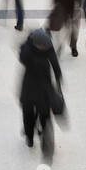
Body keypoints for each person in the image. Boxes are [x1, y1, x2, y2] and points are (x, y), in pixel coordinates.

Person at [18, 27, 63, 162]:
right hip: (35, 88)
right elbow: (54, 64)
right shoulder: (32, 49)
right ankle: (30, 135)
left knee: (39, 114)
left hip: (37, 88)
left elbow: (55, 64)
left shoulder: (35, 48)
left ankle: (36, 138)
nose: (42, 46)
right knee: (29, 113)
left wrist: (59, 79)